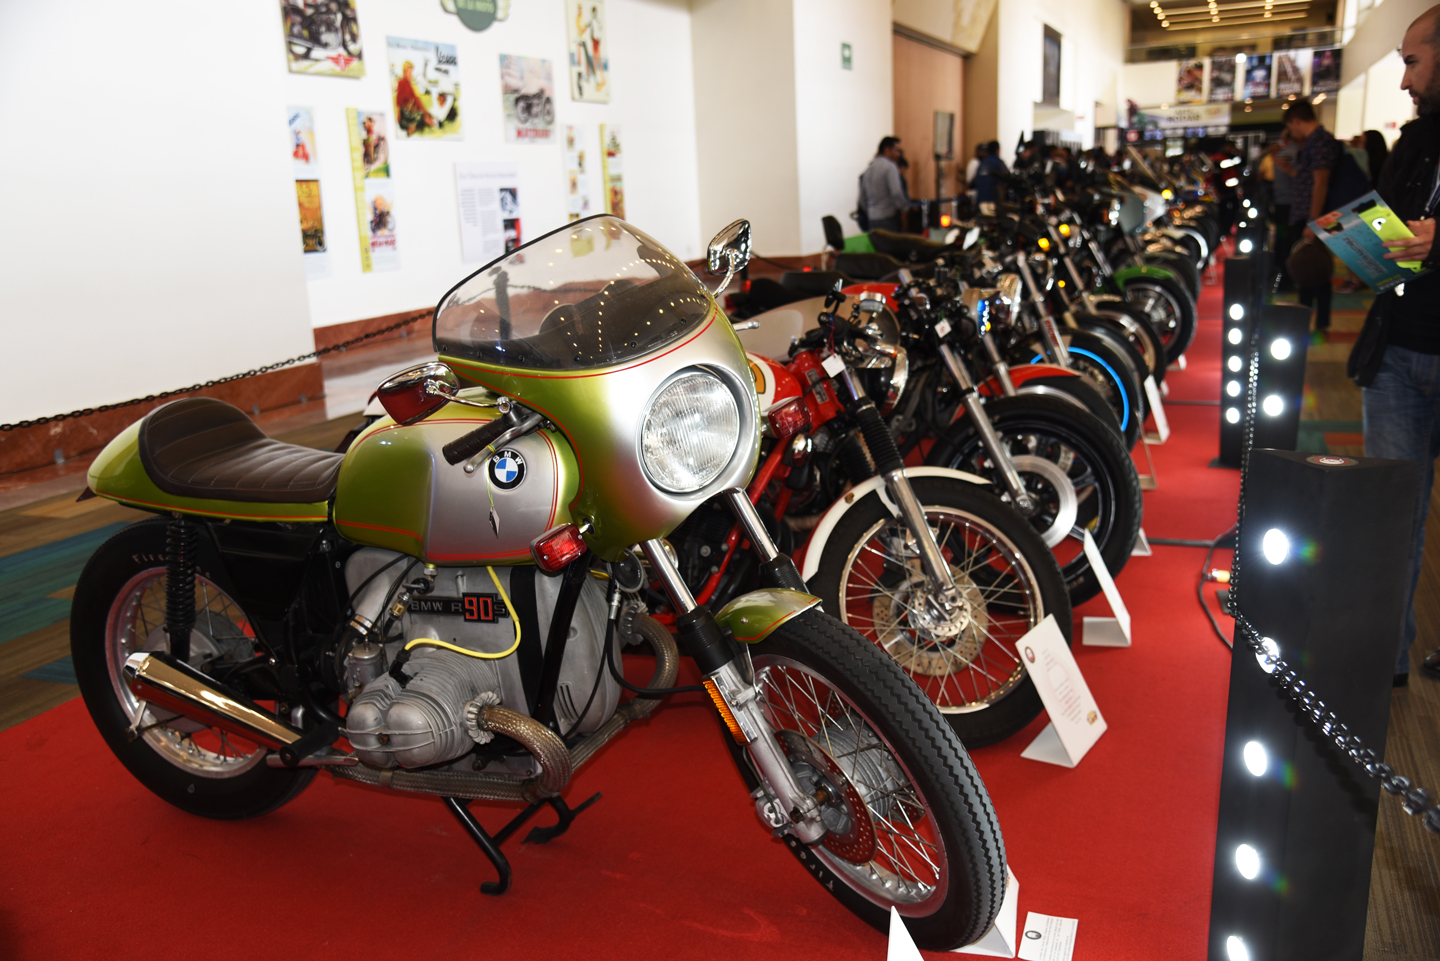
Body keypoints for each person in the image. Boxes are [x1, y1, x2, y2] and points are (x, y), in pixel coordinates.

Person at [1349, 4, 1440, 685]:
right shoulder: (1412, 143)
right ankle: (1384, 658)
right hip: (1398, 352)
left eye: (1412, 61)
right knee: (1388, 514)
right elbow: (1381, 229)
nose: (1404, 79)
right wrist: (1360, 246)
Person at [1281, 98, 1341, 332]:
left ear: (1296, 121)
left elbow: (1320, 183)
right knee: (1310, 270)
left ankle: (1310, 321)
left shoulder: (1320, 141)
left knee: (1311, 270)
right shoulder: (1316, 142)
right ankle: (1308, 320)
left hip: (1314, 218)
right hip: (1309, 216)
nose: (1292, 132)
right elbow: (1310, 181)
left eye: (1291, 126)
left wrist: (1313, 222)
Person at [858, 136, 907, 232]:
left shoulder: (869, 169)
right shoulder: (890, 167)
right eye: (896, 150)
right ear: (887, 149)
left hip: (872, 220)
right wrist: (904, 207)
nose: (898, 154)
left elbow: (862, 199)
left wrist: (872, 211)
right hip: (888, 219)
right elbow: (896, 192)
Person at [971, 141, 1008, 210]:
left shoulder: (982, 164)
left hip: (980, 204)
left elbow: (973, 183)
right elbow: (1008, 178)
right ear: (997, 150)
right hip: (993, 204)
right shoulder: (999, 163)